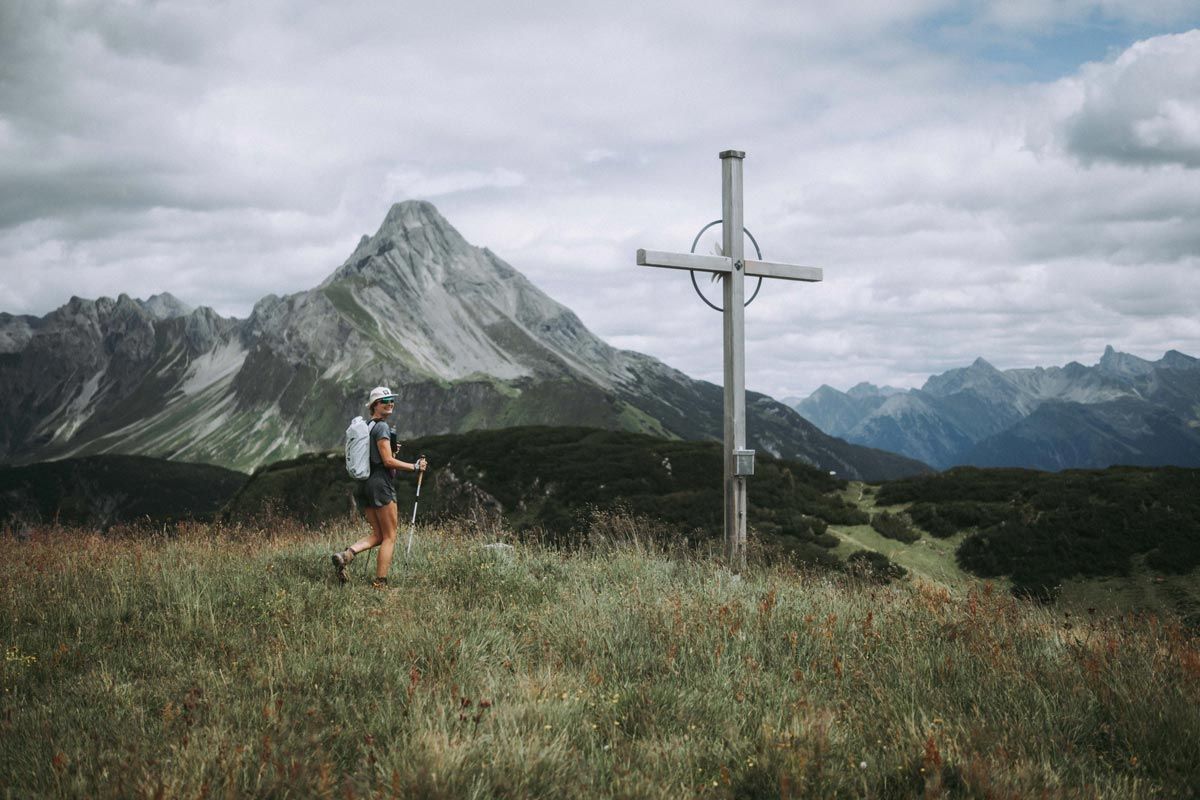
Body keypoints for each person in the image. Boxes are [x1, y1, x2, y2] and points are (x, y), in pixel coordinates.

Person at [331, 387, 427, 587]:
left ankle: (347, 555)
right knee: (390, 536)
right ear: (375, 405)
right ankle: (380, 583)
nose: (390, 403)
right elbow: (387, 462)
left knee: (378, 534)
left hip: (363, 485)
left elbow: (376, 456)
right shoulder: (382, 427)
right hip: (380, 485)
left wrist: (391, 451)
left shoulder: (367, 427)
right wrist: (415, 466)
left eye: (392, 400)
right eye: (385, 400)